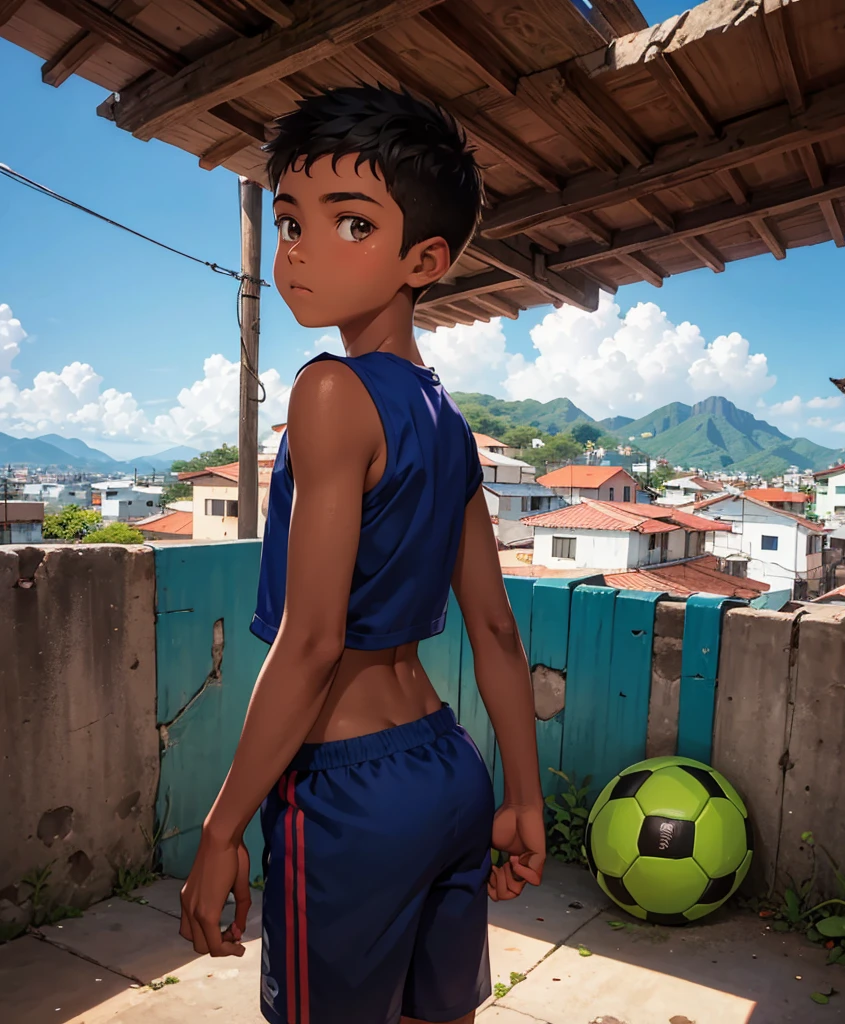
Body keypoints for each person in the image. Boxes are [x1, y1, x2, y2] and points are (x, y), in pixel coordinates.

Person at [178, 85, 546, 1024]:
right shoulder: (450, 422)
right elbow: (496, 630)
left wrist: (222, 830)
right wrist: (524, 798)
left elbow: (310, 644)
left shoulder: (331, 392)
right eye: (290, 218)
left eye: (347, 223)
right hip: (449, 769)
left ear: (425, 258)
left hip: (349, 795)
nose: (296, 248)